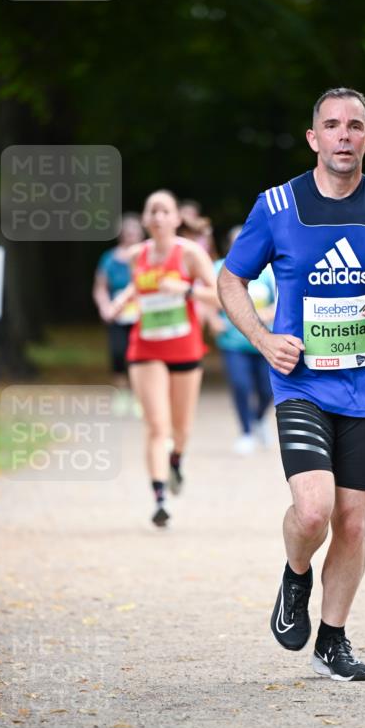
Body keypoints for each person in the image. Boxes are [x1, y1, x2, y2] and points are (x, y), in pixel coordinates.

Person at [218, 87, 365, 682]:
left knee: (355, 521)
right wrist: (263, 340)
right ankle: (295, 574)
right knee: (313, 512)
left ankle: (332, 639)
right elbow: (230, 279)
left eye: (354, 126)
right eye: (331, 125)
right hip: (301, 383)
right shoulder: (277, 205)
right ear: (314, 138)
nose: (343, 135)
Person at [108, 190, 219, 527]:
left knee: (180, 429)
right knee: (157, 425)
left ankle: (176, 461)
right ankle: (160, 498)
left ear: (175, 219)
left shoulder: (190, 254)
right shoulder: (135, 256)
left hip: (184, 348)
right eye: (152, 211)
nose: (157, 217)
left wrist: (184, 291)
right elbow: (137, 288)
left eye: (164, 211)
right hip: (145, 348)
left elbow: (218, 296)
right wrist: (121, 301)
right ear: (145, 219)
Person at [212, 226, 276, 454]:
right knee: (241, 386)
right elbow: (208, 299)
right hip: (233, 340)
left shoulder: (267, 270)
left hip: (264, 339)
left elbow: (281, 299)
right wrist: (211, 319)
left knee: (268, 391)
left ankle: (258, 420)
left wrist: (270, 311)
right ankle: (246, 432)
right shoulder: (219, 268)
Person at [92, 213, 144, 414]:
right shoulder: (109, 258)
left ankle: (140, 395)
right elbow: (100, 287)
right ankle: (121, 393)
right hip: (117, 313)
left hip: (142, 314)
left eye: (134, 232)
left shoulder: (147, 255)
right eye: (127, 232)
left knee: (140, 356)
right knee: (117, 352)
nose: (131, 235)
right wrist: (105, 307)